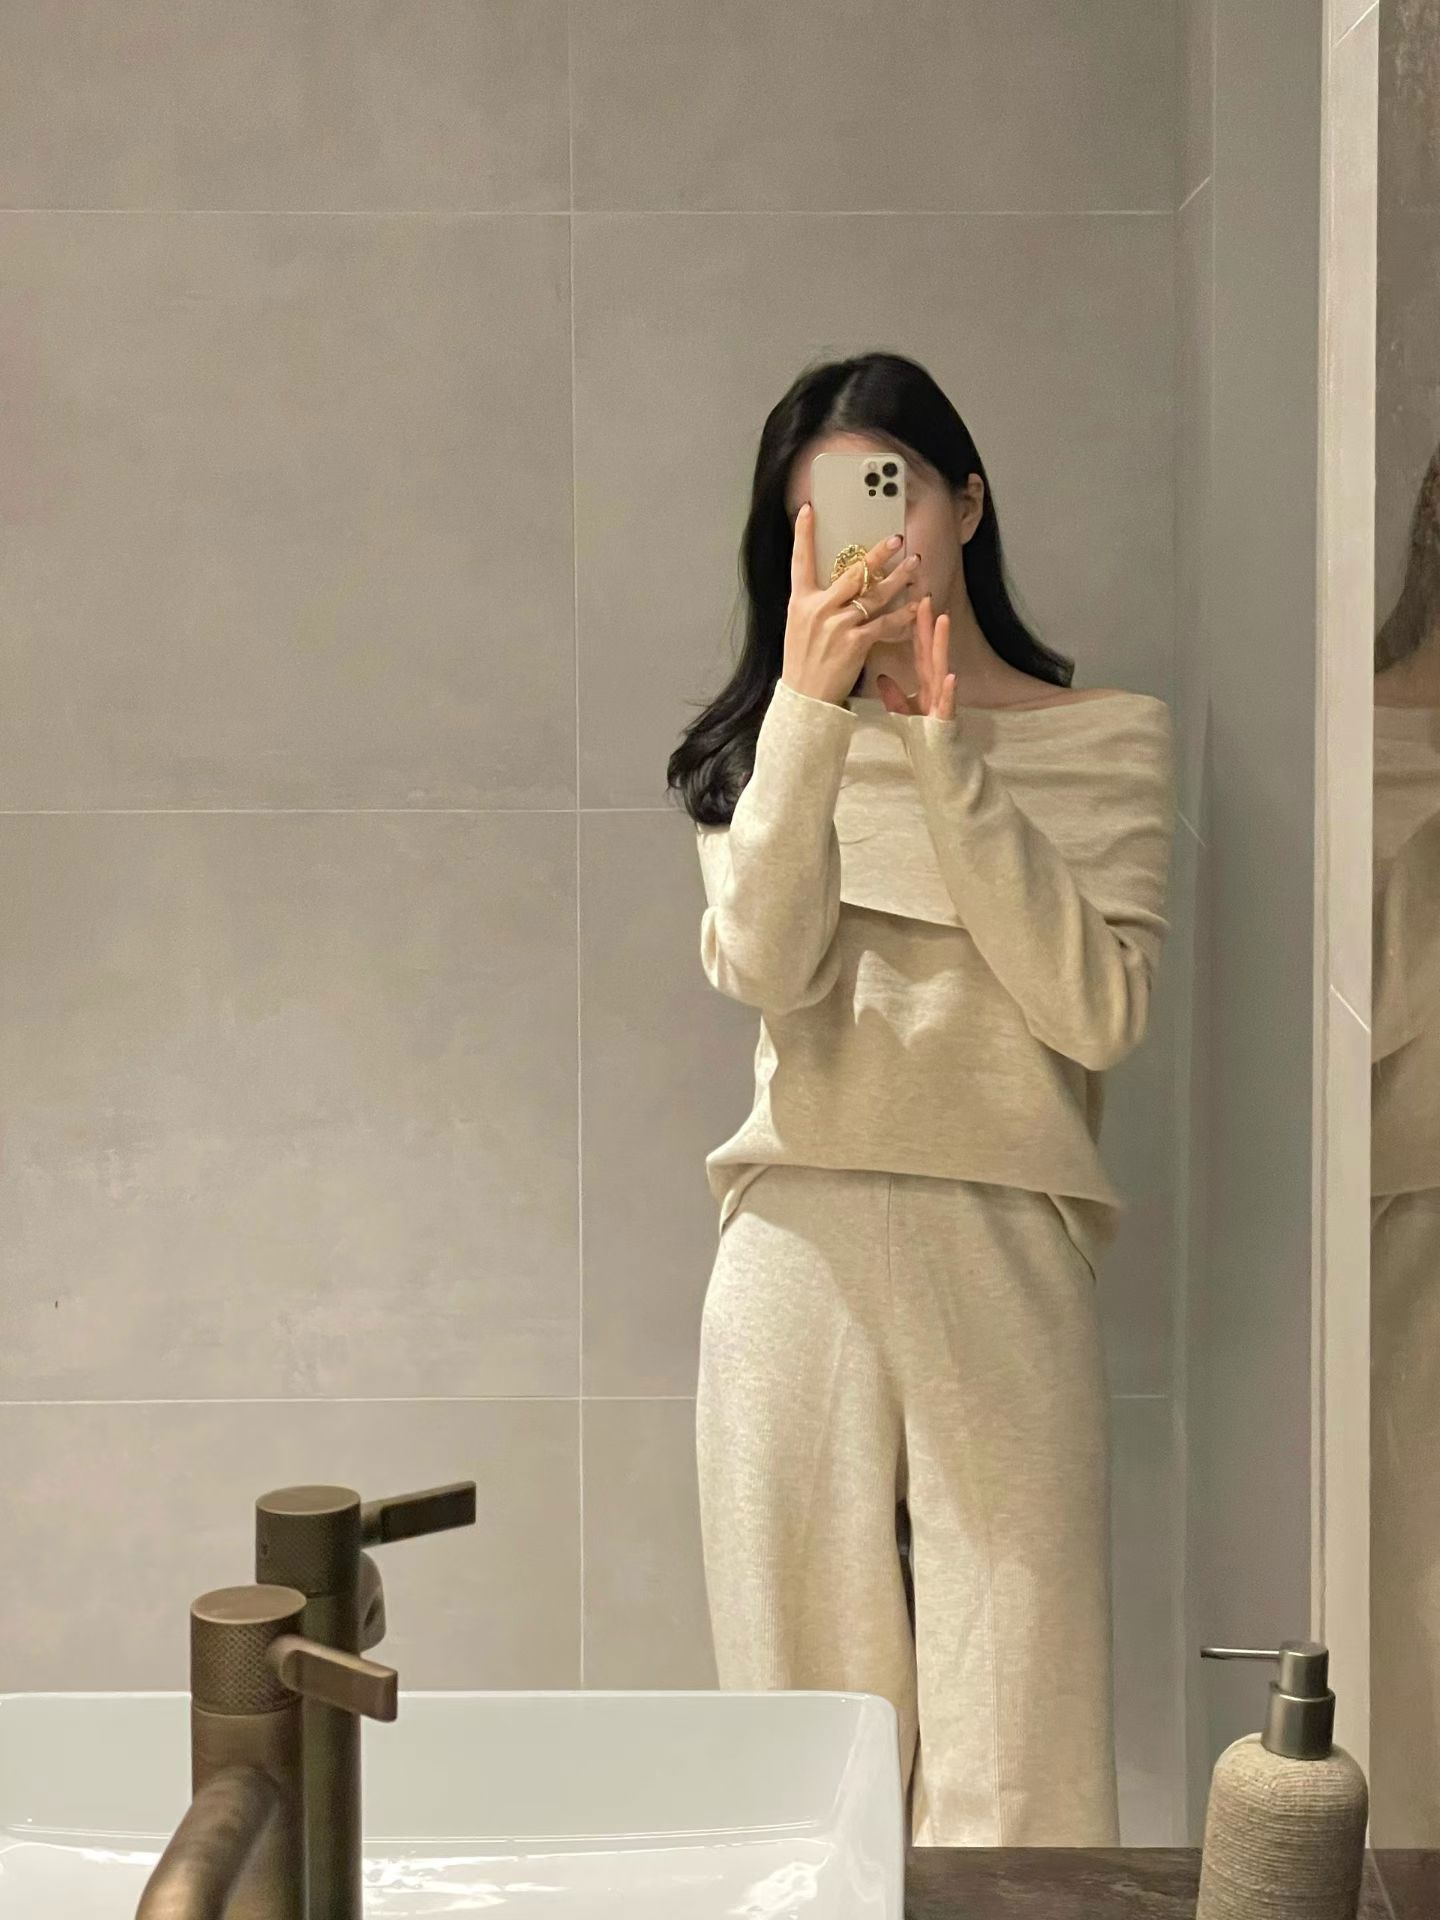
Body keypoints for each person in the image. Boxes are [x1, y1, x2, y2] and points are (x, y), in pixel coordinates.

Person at [666, 351, 1175, 1846]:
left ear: (967, 503)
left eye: (894, 496)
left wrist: (950, 761)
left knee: (1023, 1743)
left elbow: (1100, 1013)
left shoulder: (1107, 738)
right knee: (798, 1738)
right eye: (819, 518)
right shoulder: (768, 751)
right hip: (798, 1244)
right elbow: (766, 966)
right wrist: (811, 718)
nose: (868, 543)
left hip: (1008, 1239)